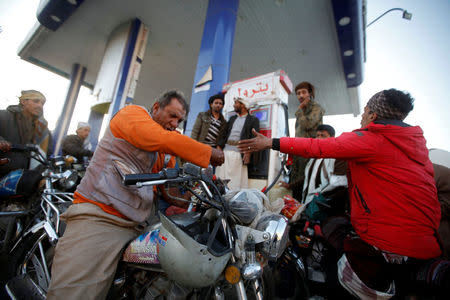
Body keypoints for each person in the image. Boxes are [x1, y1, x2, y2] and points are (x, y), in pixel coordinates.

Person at [239, 89, 441, 298]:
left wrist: (270, 142)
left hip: (388, 246)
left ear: (373, 115)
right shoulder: (416, 146)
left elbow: (315, 147)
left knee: (332, 260)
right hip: (428, 247)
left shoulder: (371, 139)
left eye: (365, 111)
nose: (362, 116)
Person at [47, 91, 224, 299]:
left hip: (137, 225)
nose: (175, 123)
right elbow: (160, 138)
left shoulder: (163, 150)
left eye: (180, 120)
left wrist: (199, 198)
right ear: (156, 108)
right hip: (100, 218)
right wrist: (208, 152)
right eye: (172, 116)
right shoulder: (132, 115)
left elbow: (167, 189)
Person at [0, 90, 51, 198]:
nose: (40, 106)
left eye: (42, 103)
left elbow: (45, 151)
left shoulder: (40, 129)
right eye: (36, 101)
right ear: (23, 101)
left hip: (22, 178)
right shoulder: (4, 115)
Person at [287, 81, 325, 200]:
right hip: (298, 152)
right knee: (294, 182)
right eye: (298, 93)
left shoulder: (317, 108)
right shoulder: (301, 111)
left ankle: (304, 213)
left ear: (310, 93)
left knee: (305, 182)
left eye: (303, 92)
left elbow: (308, 124)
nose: (301, 96)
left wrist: (299, 111)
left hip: (309, 152)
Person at [215, 97, 259, 190]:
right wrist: (218, 148)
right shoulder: (232, 119)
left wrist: (248, 152)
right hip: (225, 153)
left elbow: (254, 138)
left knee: (235, 182)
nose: (234, 105)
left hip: (239, 154)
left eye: (236, 103)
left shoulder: (253, 120)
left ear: (243, 105)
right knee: (220, 179)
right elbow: (223, 134)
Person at [298, 124, 347, 206]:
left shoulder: (337, 157)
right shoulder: (314, 157)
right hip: (308, 202)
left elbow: (339, 184)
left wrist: (320, 197)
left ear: (332, 137)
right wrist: (290, 186)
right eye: (317, 135)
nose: (319, 138)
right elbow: (309, 176)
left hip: (326, 204)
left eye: (323, 135)